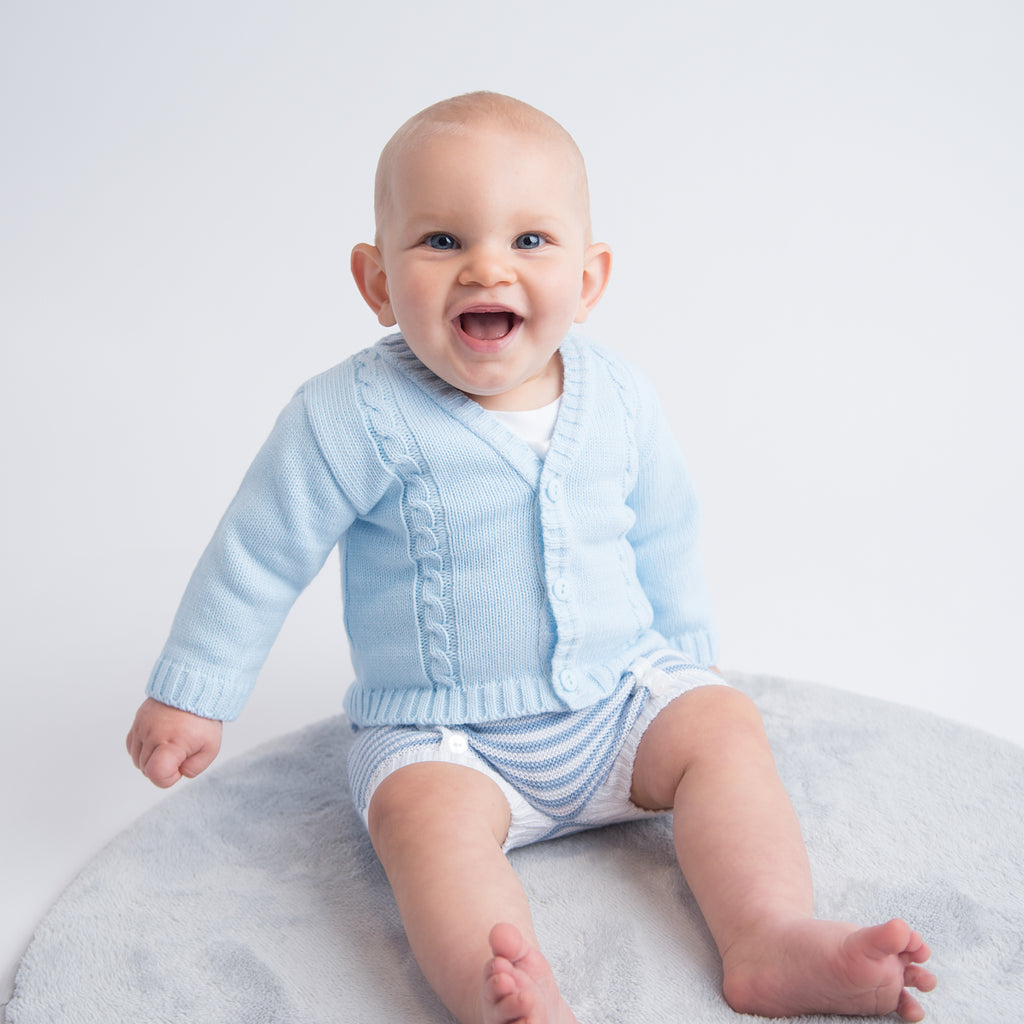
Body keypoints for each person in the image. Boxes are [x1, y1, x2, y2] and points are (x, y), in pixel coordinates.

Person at [126, 91, 936, 1024]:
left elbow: (664, 527)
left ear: (589, 278)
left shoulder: (619, 397)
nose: (485, 267)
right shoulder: (346, 416)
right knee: (422, 828)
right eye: (439, 241)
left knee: (724, 729)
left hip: (620, 702)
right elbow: (261, 550)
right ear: (376, 280)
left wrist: (686, 661)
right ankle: (503, 993)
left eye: (530, 242)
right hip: (445, 736)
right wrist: (195, 688)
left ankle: (768, 936)